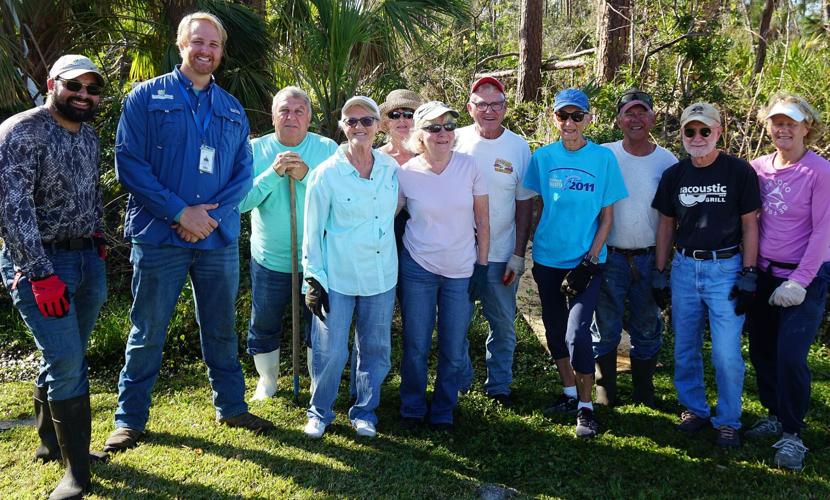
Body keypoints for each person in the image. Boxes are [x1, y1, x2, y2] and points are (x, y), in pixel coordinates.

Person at [105, 11, 273, 453]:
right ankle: (130, 419)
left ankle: (232, 406)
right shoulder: (145, 98)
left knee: (219, 327)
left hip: (215, 238)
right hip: (160, 237)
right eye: (198, 42)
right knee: (148, 329)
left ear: (221, 51)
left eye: (214, 45)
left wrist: (208, 218)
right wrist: (182, 212)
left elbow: (243, 173)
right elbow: (130, 166)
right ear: (182, 46)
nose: (206, 51)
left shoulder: (232, 108)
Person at [0, 54, 108, 500]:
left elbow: (91, 191)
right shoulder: (20, 131)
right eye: (74, 86)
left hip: (87, 260)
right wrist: (40, 273)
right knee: (66, 362)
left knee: (67, 354)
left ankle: (53, 444)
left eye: (91, 88)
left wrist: (98, 237)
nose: (83, 95)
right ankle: (77, 472)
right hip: (41, 267)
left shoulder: (90, 138)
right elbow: (12, 208)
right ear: (51, 84)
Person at [652, 102, 760, 448]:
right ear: (682, 133)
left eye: (704, 130)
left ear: (718, 132)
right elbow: (666, 224)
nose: (697, 137)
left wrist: (749, 273)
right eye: (690, 131)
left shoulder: (739, 172)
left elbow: (750, 224)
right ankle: (694, 408)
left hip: (726, 269)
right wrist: (659, 271)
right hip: (685, 266)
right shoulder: (675, 175)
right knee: (685, 345)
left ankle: (728, 419)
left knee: (726, 352)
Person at [524, 88, 627, 439]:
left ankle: (586, 407)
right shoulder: (542, 157)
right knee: (554, 330)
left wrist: (589, 259)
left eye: (576, 116)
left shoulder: (603, 159)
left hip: (586, 262)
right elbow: (535, 205)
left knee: (577, 333)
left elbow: (608, 217)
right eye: (562, 116)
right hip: (547, 259)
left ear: (588, 119)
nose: (569, 123)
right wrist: (534, 240)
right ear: (554, 118)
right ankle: (569, 394)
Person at [301, 96, 398, 439]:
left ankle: (364, 412)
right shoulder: (326, 174)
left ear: (378, 126)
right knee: (330, 350)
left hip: (381, 276)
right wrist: (313, 279)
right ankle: (319, 411)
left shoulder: (390, 169)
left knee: (375, 348)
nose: (359, 127)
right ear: (342, 126)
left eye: (367, 120)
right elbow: (312, 231)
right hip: (337, 277)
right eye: (352, 121)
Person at [744, 93, 830, 470]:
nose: (783, 129)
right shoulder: (757, 168)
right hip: (763, 273)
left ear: (806, 127)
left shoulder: (820, 172)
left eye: (791, 123)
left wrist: (799, 281)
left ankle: (793, 434)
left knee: (791, 356)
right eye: (777, 123)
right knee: (762, 350)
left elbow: (823, 231)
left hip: (805, 276)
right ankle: (775, 413)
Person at [239, 86, 337, 400]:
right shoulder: (255, 149)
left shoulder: (327, 148)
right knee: (265, 319)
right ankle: (267, 381)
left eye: (298, 111)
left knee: (317, 323)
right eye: (284, 110)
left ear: (309, 118)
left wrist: (307, 175)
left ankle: (314, 382)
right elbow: (241, 202)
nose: (291, 117)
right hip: (269, 257)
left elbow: (340, 201)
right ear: (273, 115)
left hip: (316, 259)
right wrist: (274, 172)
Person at [397, 101, 489, 432]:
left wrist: (482, 266)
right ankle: (412, 406)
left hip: (461, 270)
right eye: (434, 128)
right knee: (416, 343)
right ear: (419, 136)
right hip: (417, 268)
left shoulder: (470, 166)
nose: (443, 134)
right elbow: (387, 217)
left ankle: (443, 409)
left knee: (453, 345)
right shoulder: (405, 174)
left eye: (449, 126)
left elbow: (482, 218)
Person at [590, 88, 677, 407]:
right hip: (609, 255)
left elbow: (672, 216)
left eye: (642, 112)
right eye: (629, 112)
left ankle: (644, 391)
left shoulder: (667, 160)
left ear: (653, 118)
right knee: (606, 325)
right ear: (618, 119)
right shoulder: (603, 154)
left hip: (649, 256)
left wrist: (662, 267)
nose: (636, 118)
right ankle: (605, 391)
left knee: (646, 326)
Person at [455, 76, 534, 405]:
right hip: (458, 256)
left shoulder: (518, 146)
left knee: (502, 324)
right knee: (455, 322)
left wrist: (518, 254)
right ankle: (460, 382)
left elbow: (525, 203)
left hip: (502, 255)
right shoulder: (454, 139)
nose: (489, 110)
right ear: (470, 107)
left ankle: (499, 385)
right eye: (482, 104)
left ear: (505, 107)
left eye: (496, 104)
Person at [378, 89, 424, 166]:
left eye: (409, 114)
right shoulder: (375, 158)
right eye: (395, 115)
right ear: (387, 122)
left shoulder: (429, 155)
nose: (402, 120)